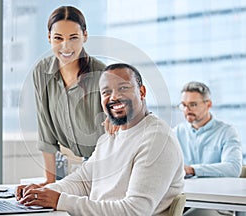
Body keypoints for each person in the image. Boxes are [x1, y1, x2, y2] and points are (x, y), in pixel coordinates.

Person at [16, 63, 185, 215]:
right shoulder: (109, 138)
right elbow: (82, 182)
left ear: (142, 92)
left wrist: (59, 201)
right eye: (106, 92)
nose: (113, 97)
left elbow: (135, 210)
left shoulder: (157, 139)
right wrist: (41, 193)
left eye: (123, 88)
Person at [33, 6, 107, 185]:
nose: (66, 46)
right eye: (58, 38)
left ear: (85, 36)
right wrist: (49, 182)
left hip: (108, 166)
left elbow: (116, 133)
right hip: (82, 168)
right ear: (49, 38)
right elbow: (46, 132)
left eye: (73, 38)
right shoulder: (42, 71)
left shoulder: (102, 73)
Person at [173, 81, 243, 216]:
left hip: (217, 203)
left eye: (193, 104)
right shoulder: (177, 132)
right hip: (185, 198)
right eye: (184, 105)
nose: (187, 110)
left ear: (208, 104)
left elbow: (233, 169)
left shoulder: (227, 131)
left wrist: (193, 170)